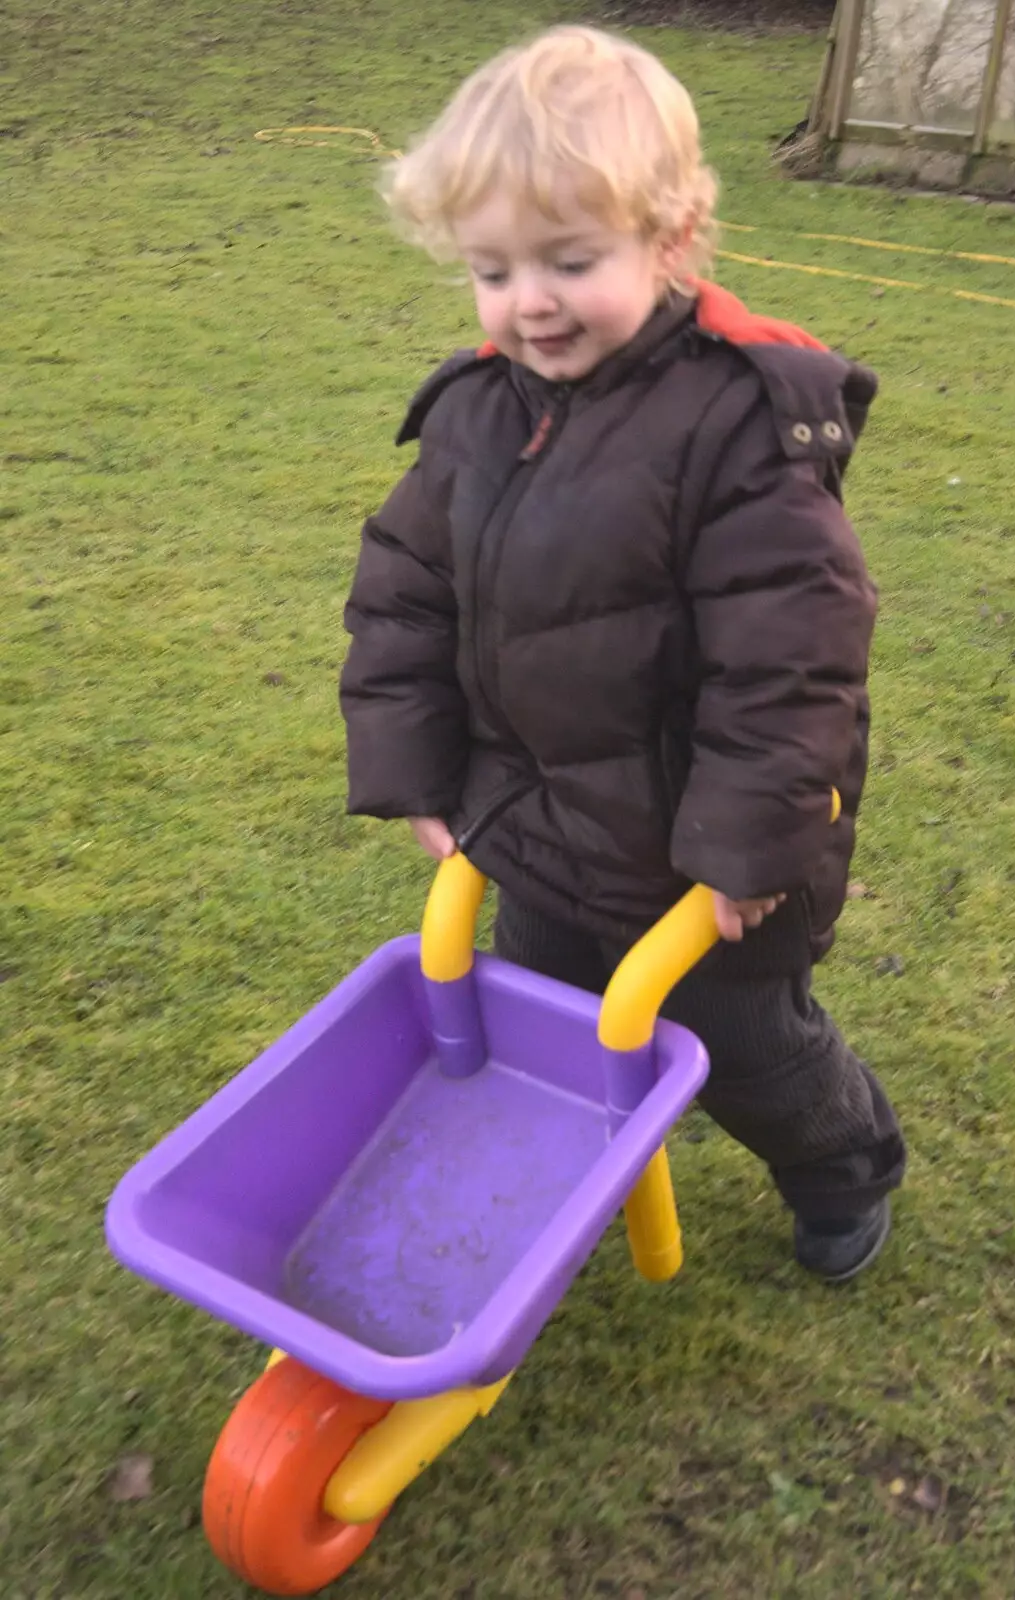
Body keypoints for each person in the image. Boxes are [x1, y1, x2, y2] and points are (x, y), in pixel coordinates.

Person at [339, 24, 905, 1282]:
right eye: (492, 269)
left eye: (568, 260)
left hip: (706, 863)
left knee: (743, 1053)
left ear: (671, 239)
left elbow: (790, 660)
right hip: (539, 826)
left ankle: (841, 1162)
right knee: (548, 1030)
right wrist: (419, 769)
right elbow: (403, 595)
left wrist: (742, 851)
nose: (527, 301)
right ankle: (572, 1183)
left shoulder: (735, 425)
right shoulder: (479, 412)